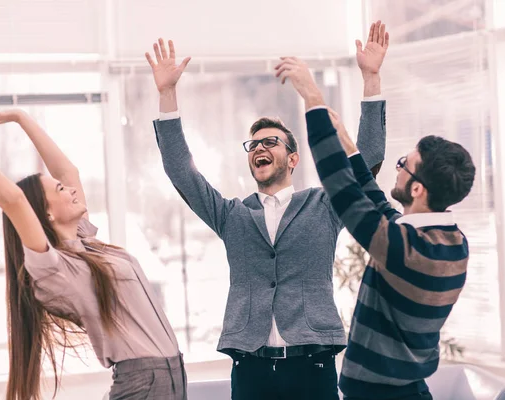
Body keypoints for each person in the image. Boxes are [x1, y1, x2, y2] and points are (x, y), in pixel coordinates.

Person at [145, 21, 389, 400]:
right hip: (251, 367)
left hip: (313, 364)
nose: (259, 147)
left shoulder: (323, 206)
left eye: (270, 141)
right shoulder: (232, 216)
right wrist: (167, 94)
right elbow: (181, 171)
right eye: (253, 144)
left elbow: (368, 159)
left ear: (292, 159)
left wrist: (371, 78)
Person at [0, 110, 186, 400]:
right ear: (47, 213)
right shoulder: (56, 269)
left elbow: (68, 171)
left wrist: (21, 118)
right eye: (61, 190)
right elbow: (12, 200)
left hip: (170, 375)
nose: (73, 190)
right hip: (144, 382)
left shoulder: (87, 245)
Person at [281, 45, 475, 400]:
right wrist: (347, 140)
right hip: (408, 390)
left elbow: (341, 188)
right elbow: (379, 207)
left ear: (417, 188)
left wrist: (312, 97)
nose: (397, 168)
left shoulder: (403, 248)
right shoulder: (451, 243)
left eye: (404, 164)